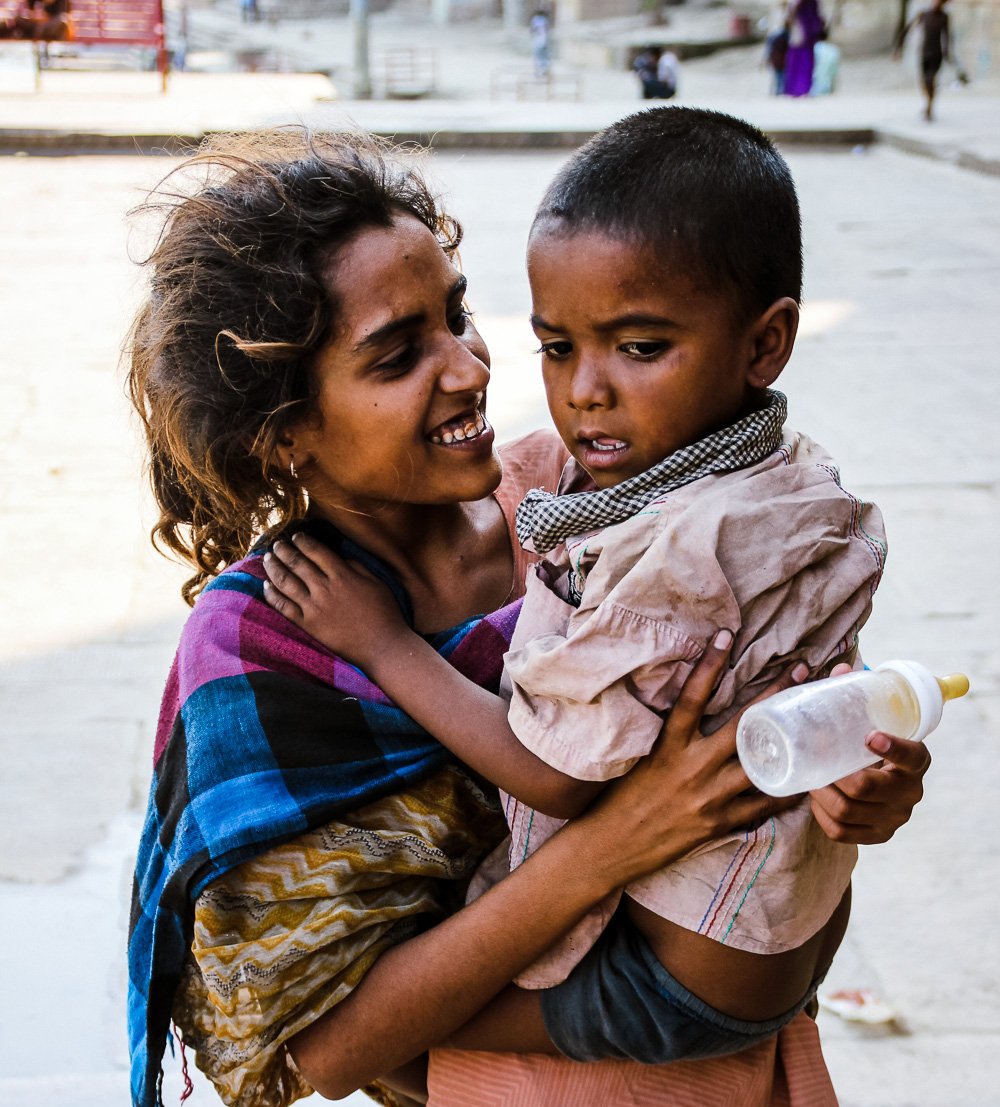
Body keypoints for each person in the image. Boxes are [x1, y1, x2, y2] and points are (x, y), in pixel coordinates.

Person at [127, 130, 928, 1107]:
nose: (475, 372)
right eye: (398, 354)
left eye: (461, 317)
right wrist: (613, 846)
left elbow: (762, 774)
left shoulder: (592, 499)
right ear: (284, 434)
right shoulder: (271, 656)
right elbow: (316, 1044)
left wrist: (855, 786)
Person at [265, 108, 884, 1053]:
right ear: (281, 432)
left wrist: (385, 646)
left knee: (376, 1034)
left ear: (765, 345)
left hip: (686, 976)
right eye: (556, 347)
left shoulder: (683, 540)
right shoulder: (761, 473)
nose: (583, 389)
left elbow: (556, 777)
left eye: (638, 349)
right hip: (760, 935)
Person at [897, 0, 951, 120]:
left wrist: (947, 54)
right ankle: (928, 104)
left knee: (930, 79)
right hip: (924, 52)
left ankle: (929, 107)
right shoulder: (923, 14)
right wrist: (899, 48)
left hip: (937, 54)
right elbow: (907, 30)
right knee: (924, 81)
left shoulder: (944, 17)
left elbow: (946, 36)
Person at [783, 0, 827, 95]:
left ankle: (802, 89)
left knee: (804, 63)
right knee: (799, 62)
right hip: (801, 35)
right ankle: (798, 89)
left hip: (806, 35)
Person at [529, 7, 550, 80]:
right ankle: (544, 71)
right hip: (544, 40)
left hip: (538, 41)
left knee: (538, 57)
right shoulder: (544, 19)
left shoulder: (536, 19)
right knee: (544, 57)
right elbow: (547, 29)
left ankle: (539, 72)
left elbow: (532, 29)